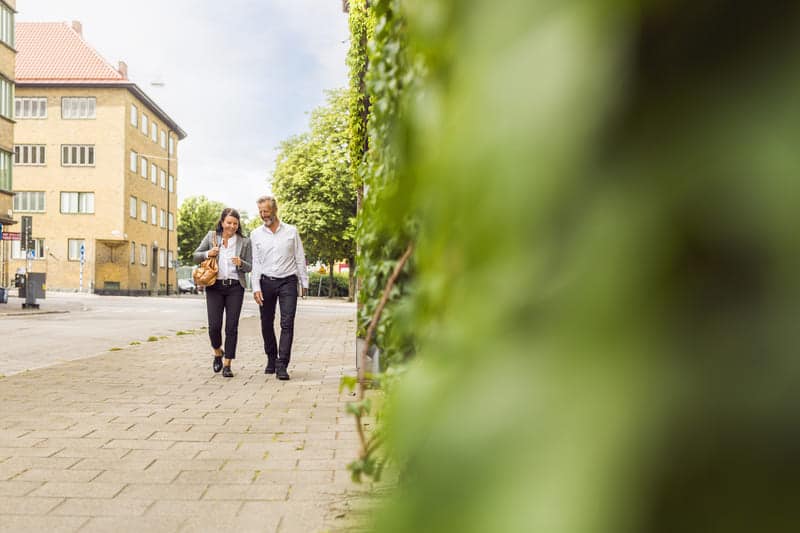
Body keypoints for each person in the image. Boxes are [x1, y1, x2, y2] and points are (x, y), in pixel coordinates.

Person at [251, 195, 308, 380]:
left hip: (288, 282)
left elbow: (299, 257)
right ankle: (271, 358)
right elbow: (256, 262)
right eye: (260, 211)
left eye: (265, 211)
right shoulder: (256, 234)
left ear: (275, 210)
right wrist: (256, 287)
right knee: (266, 323)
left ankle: (282, 364)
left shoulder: (291, 231)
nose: (263, 215)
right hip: (266, 282)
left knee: (287, 322)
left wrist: (304, 282)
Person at [193, 208, 252, 378]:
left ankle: (228, 364)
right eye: (229, 223)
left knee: (232, 327)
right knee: (214, 326)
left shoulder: (244, 241)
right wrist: (207, 253)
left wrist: (241, 263)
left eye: (235, 223)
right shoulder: (212, 237)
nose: (232, 226)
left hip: (235, 287)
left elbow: (251, 266)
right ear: (222, 222)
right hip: (214, 286)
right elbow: (195, 256)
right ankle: (217, 352)